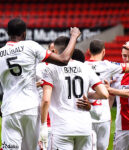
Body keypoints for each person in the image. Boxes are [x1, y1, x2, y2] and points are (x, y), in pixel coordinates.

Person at [0, 18, 80, 150]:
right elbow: (64, 59)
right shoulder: (30, 46)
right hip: (31, 108)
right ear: (24, 34)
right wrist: (74, 36)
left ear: (8, 33)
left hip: (10, 110)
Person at [36, 36, 109, 150]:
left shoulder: (51, 68)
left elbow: (46, 100)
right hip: (84, 128)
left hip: (62, 129)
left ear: (54, 51)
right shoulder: (85, 67)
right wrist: (88, 95)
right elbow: (104, 94)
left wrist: (43, 126)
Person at [77, 40, 129, 150]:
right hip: (103, 115)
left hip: (85, 114)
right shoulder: (108, 65)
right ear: (104, 52)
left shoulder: (81, 66)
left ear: (88, 51)